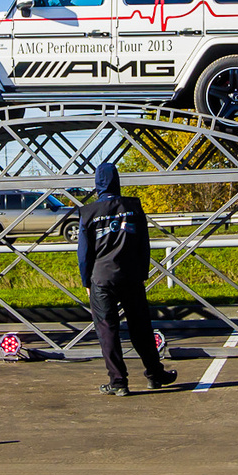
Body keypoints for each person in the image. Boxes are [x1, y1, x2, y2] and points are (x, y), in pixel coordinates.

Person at [75, 162, 173, 396]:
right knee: (141, 328)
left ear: (97, 183)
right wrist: (142, 273)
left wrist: (85, 281)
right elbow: (144, 244)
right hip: (131, 276)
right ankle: (154, 373)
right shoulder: (133, 206)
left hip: (101, 278)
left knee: (107, 330)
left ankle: (118, 382)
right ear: (117, 180)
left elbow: (84, 252)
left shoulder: (88, 213)